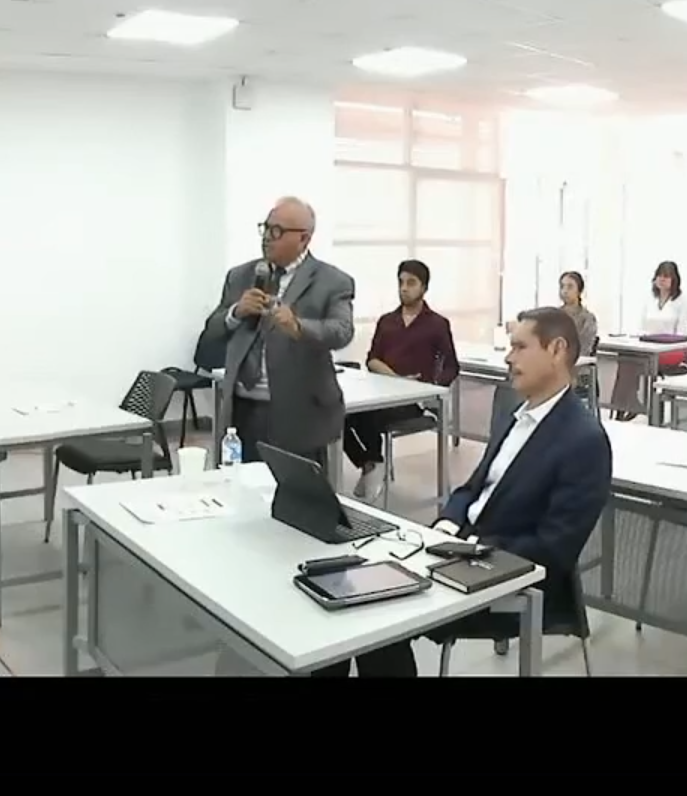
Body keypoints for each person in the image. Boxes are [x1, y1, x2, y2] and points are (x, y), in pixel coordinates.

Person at [316, 307, 613, 677]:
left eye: (520, 347)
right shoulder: (516, 417)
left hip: (512, 576)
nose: (509, 357)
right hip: (455, 553)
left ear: (556, 350)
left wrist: (470, 550)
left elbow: (555, 548)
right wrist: (444, 527)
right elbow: (471, 489)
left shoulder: (584, 440)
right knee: (346, 592)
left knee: (377, 612)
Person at [193, 197, 354, 466]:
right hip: (242, 409)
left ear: (304, 238)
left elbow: (342, 331)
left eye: (277, 231)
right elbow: (212, 330)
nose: (267, 237)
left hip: (299, 412)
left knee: (294, 489)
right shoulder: (240, 276)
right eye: (266, 228)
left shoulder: (332, 281)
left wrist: (297, 326)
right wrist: (235, 312)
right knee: (241, 485)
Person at [344, 259, 458, 498]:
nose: (404, 288)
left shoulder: (437, 324)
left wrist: (432, 390)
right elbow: (372, 359)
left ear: (424, 287)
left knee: (367, 415)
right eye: (401, 282)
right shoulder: (387, 321)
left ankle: (373, 464)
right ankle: (370, 462)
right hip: (383, 392)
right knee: (336, 414)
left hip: (414, 401)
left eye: (411, 283)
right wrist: (396, 379)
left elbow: (451, 366)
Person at [613, 260, 687, 421]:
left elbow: (682, 334)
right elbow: (642, 327)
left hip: (671, 350)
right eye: (659, 276)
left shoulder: (683, 301)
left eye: (666, 276)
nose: (662, 279)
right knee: (625, 359)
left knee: (632, 363)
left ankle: (627, 405)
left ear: (674, 279)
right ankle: (625, 404)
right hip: (648, 347)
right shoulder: (650, 299)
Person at [557, 271, 599, 357]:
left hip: (577, 361)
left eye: (570, 287)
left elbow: (584, 348)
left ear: (579, 291)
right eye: (562, 286)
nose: (565, 291)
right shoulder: (554, 315)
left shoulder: (588, 319)